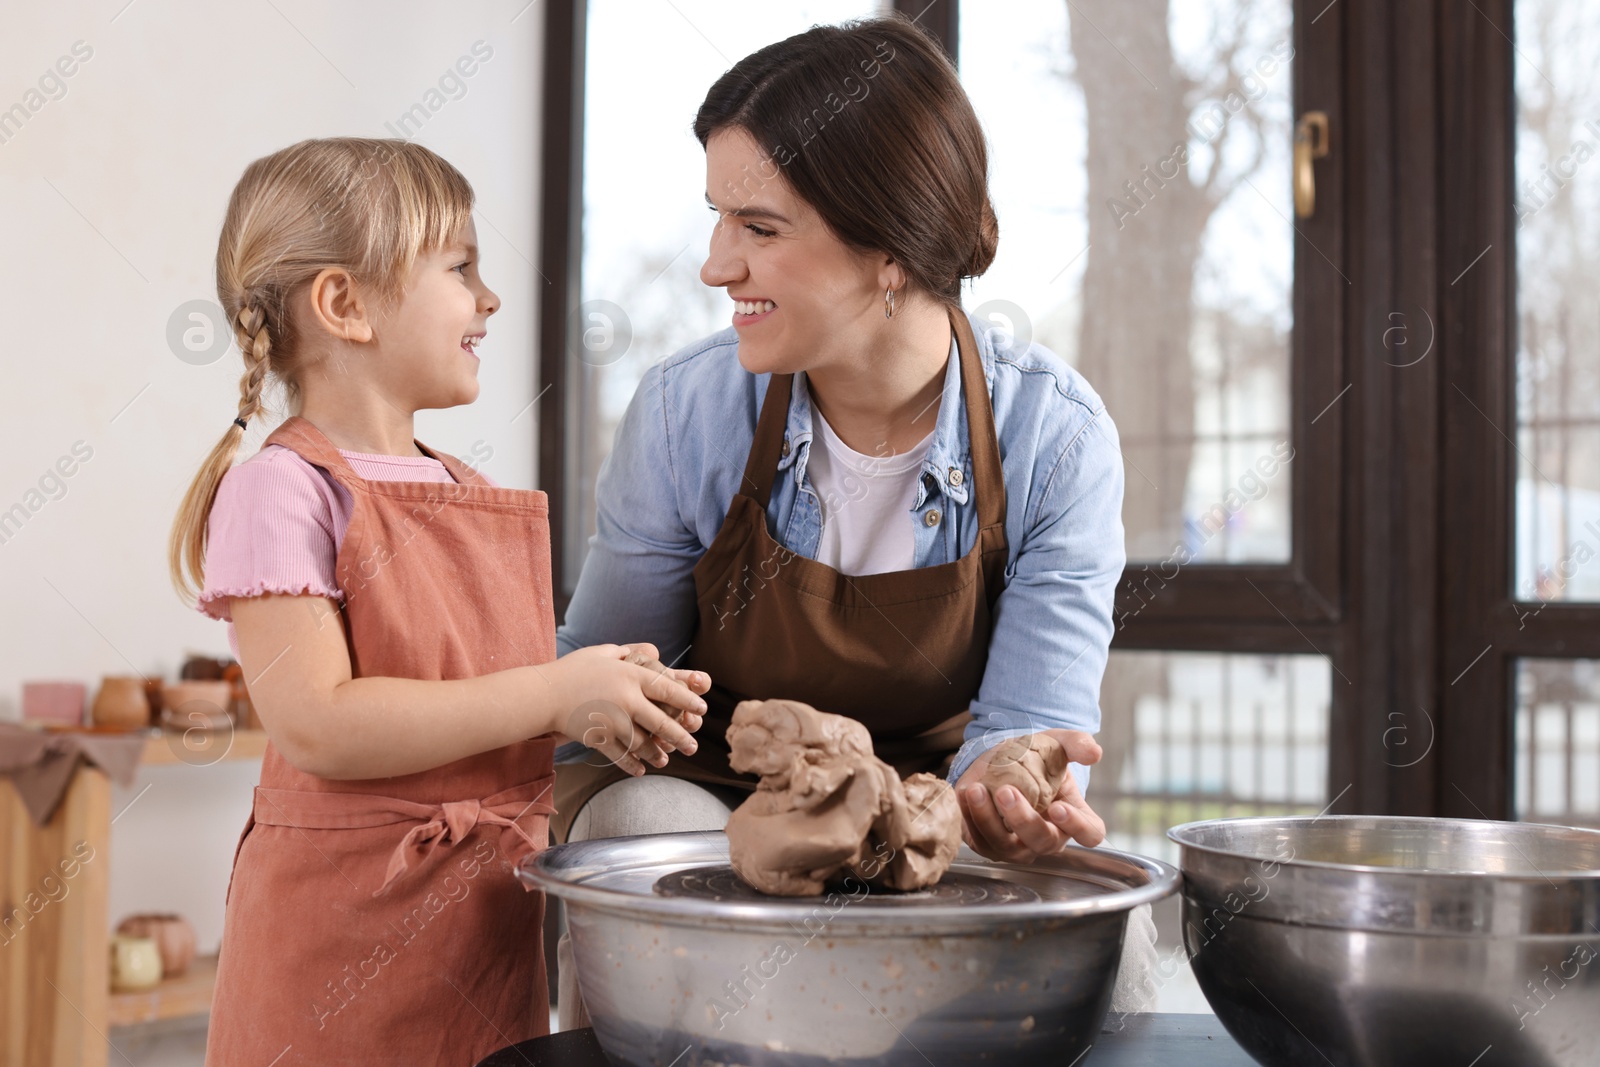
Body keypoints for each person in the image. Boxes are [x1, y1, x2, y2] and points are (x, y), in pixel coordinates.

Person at [552, 15, 1158, 1026]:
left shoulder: (1054, 437)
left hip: (934, 807)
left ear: (888, 246)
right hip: (710, 794)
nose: (714, 264)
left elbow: (1021, 729)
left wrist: (1010, 790)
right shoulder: (685, 412)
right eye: (717, 218)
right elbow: (605, 689)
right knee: (639, 816)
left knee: (1114, 930)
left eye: (757, 226)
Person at [167, 137, 707, 1066]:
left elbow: (485, 706)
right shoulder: (283, 488)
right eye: (460, 267)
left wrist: (597, 702)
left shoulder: (464, 489)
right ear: (344, 304)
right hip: (338, 943)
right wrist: (551, 690)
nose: (490, 299)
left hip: (478, 935)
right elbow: (318, 723)